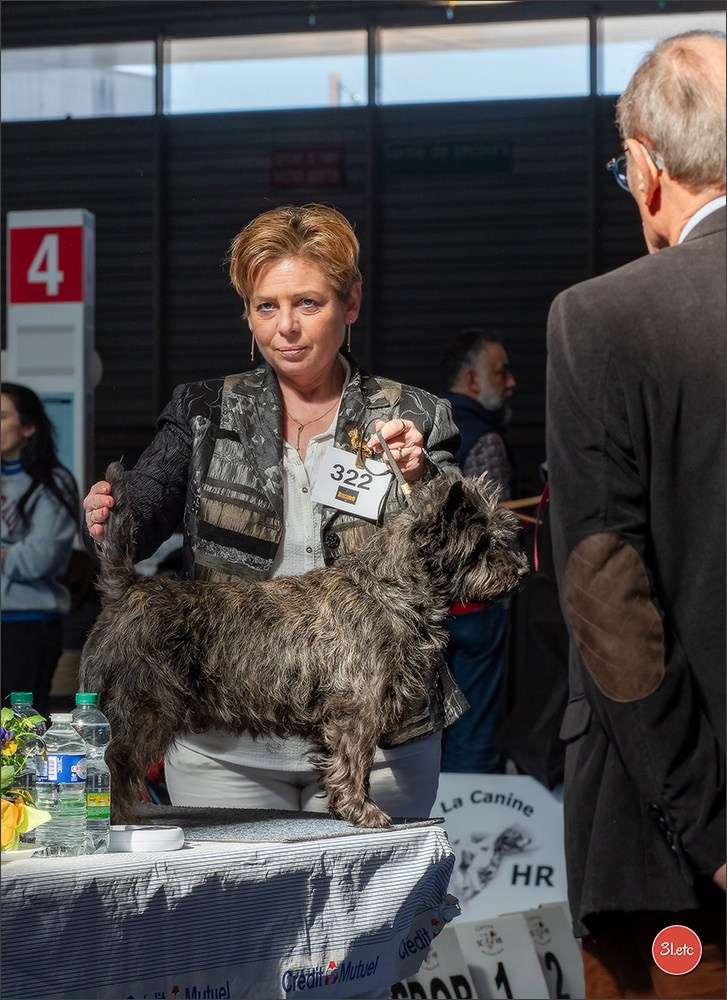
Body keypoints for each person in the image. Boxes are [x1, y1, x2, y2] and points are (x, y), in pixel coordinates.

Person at [83, 202, 467, 818]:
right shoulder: (206, 408)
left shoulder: (414, 413)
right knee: (231, 915)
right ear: (248, 312)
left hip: (376, 742)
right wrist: (112, 510)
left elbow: (458, 542)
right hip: (225, 745)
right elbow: (148, 504)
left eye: (308, 304)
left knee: (367, 914)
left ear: (352, 303)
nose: (286, 327)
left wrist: (420, 476)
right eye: (268, 306)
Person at [546, 30, 725, 999]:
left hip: (672, 862)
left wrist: (711, 830)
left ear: (648, 169)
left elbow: (607, 597)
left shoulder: (601, 318)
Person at [438, 328, 517, 773]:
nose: (511, 383)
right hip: (474, 614)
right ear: (472, 380)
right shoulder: (484, 439)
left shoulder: (418, 427)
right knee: (472, 738)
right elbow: (499, 537)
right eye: (501, 372)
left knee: (421, 731)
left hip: (421, 612)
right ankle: (465, 836)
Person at [1, 383, 79, 718]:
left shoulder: (53, 482)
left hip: (27, 625)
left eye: (2, 416)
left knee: (17, 734)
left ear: (28, 426)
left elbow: (38, 559)